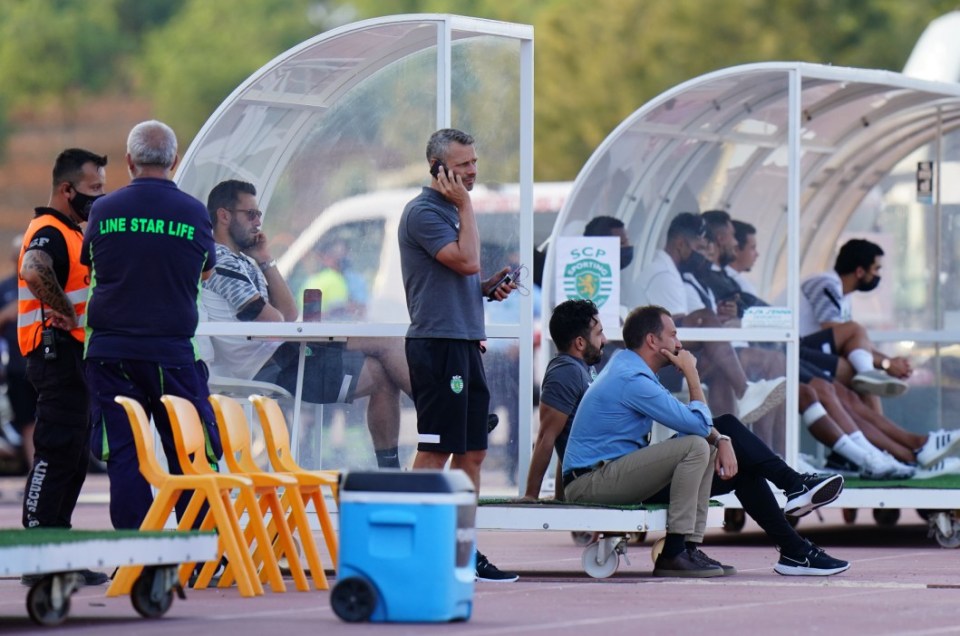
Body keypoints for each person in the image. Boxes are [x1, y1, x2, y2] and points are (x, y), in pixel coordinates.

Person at [563, 305, 850, 577]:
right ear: (652, 340)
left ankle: (795, 551)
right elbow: (698, 424)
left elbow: (695, 422)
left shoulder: (634, 371)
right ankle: (676, 552)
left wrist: (722, 439)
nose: (680, 342)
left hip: (615, 476)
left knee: (740, 463)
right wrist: (692, 373)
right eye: (673, 334)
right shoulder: (631, 378)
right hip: (593, 482)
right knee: (696, 445)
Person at [201, 179, 411, 469]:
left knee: (383, 375)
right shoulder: (220, 260)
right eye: (251, 214)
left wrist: (264, 260)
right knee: (387, 343)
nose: (258, 222)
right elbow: (277, 322)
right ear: (224, 216)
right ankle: (443, 412)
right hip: (268, 366)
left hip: (281, 355)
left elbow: (288, 314)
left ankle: (390, 472)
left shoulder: (245, 261)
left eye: (259, 215)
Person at [82, 121, 220, 531]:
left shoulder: (103, 209)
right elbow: (207, 271)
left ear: (129, 161)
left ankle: (136, 558)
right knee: (188, 453)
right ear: (174, 161)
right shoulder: (193, 212)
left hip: (110, 355)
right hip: (171, 355)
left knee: (125, 455)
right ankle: (199, 558)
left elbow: (90, 264)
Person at [399, 128, 518, 582]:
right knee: (436, 451)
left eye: (473, 162)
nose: (472, 171)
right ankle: (409, 543)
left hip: (464, 342)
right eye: (463, 164)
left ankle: (461, 547)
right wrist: (467, 206)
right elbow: (467, 261)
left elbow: (466, 274)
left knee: (472, 452)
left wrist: (487, 290)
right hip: (438, 346)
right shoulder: (425, 212)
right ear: (438, 168)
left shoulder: (451, 212)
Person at [16, 148, 110, 586]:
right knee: (56, 453)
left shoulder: (73, 232)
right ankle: (36, 555)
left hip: (72, 356)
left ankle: (58, 550)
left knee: (73, 456)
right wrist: (66, 315)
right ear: (66, 189)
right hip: (53, 353)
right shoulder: (49, 229)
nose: (99, 197)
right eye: (93, 190)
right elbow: (34, 270)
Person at [634, 213, 786, 422]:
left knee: (723, 367)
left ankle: (739, 445)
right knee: (706, 323)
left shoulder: (672, 273)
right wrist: (713, 327)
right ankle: (745, 393)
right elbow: (675, 336)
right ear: (680, 244)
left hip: (668, 361)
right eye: (698, 248)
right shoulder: (663, 275)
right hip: (657, 366)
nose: (702, 256)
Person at [799, 239, 911, 397]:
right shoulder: (825, 284)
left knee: (863, 381)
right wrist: (887, 364)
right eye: (876, 269)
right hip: (790, 349)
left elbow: (856, 345)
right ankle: (869, 375)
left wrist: (889, 362)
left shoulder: (844, 297)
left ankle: (870, 383)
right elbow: (836, 335)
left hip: (809, 350)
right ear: (859, 271)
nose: (878, 275)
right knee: (855, 332)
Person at [523, 299, 605, 501]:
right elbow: (546, 436)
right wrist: (531, 496)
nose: (604, 339)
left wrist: (561, 500)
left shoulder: (585, 368)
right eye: (599, 333)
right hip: (599, 475)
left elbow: (569, 441)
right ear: (579, 343)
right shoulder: (565, 371)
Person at [0, 234, 37, 470]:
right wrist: (7, 314)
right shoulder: (5, 288)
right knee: (27, 420)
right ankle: (34, 467)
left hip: (44, 360)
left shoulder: (42, 284)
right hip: (16, 365)